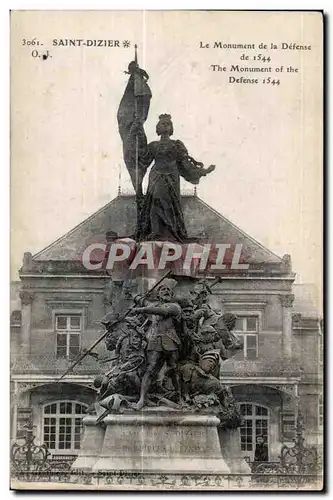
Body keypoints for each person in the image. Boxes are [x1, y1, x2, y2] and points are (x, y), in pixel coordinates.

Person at [133, 114, 216, 242]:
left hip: (172, 177)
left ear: (171, 128)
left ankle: (171, 232)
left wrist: (202, 171)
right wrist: (137, 139)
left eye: (168, 124)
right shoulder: (153, 145)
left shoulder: (176, 145)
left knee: (171, 204)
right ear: (158, 128)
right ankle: (156, 232)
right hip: (156, 176)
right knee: (156, 202)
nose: (165, 125)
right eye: (163, 123)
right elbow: (143, 160)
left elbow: (185, 163)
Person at [132, 278, 183, 410]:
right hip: (154, 341)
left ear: (171, 295)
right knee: (150, 369)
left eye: (168, 290)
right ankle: (142, 399)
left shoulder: (175, 307)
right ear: (158, 294)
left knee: (174, 369)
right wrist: (134, 296)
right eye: (162, 289)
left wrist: (141, 309)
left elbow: (162, 311)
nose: (166, 291)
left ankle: (181, 398)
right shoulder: (152, 306)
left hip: (170, 340)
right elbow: (142, 301)